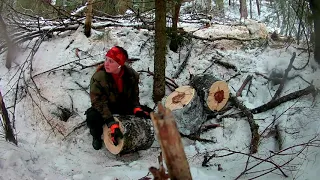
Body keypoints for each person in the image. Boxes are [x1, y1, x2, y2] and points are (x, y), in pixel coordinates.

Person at [85, 46, 152, 150]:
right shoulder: (98, 77)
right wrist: (111, 123)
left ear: (120, 64)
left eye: (111, 61)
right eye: (106, 59)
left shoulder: (132, 75)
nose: (106, 63)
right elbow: (98, 102)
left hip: (123, 105)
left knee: (149, 112)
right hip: (106, 106)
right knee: (92, 117)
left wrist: (136, 108)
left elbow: (134, 96)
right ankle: (96, 136)